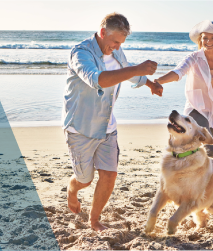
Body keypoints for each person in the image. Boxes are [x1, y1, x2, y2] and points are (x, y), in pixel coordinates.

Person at [62, 12, 163, 231]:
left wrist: (149, 84)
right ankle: (72, 188)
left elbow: (127, 73)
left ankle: (94, 219)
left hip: (107, 125)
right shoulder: (81, 53)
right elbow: (97, 80)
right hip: (81, 128)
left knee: (109, 175)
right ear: (102, 32)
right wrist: (137, 69)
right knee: (85, 180)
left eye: (121, 43)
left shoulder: (116, 52)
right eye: (115, 41)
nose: (117, 47)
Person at [153, 20, 213, 158]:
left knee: (202, 150)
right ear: (201, 39)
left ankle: (192, 172)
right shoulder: (194, 58)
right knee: (210, 148)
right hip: (197, 108)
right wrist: (158, 81)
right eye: (205, 37)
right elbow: (178, 72)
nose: (208, 41)